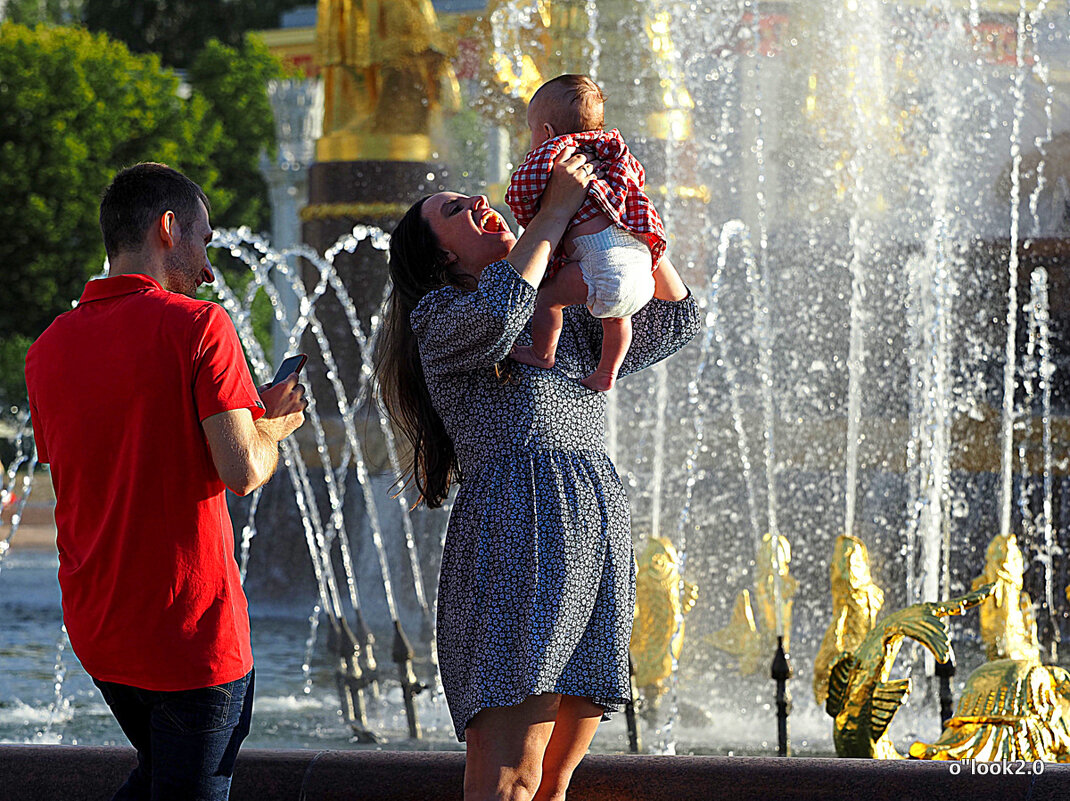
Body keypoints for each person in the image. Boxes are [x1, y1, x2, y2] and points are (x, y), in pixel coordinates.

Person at [376, 148, 700, 801]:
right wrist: (549, 216)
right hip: (518, 530)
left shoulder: (560, 311)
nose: (477, 202)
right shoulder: (442, 320)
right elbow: (500, 315)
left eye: (472, 196)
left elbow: (676, 319)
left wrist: (631, 219)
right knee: (507, 777)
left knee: (554, 780)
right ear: (442, 258)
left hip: (592, 525)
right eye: (453, 210)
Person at [24, 163, 307, 801]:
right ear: (168, 228)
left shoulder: (46, 348)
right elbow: (245, 472)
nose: (210, 268)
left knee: (160, 776)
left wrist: (240, 411)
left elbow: (125, 448)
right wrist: (276, 425)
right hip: (190, 633)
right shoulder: (198, 326)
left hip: (101, 628)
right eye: (204, 242)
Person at [505, 74, 666, 392]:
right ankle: (607, 371)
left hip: (604, 265)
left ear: (547, 131)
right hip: (640, 265)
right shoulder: (615, 150)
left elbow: (521, 190)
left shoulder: (553, 151)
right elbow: (637, 179)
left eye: (532, 131)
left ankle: (542, 353)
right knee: (618, 317)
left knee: (547, 299)